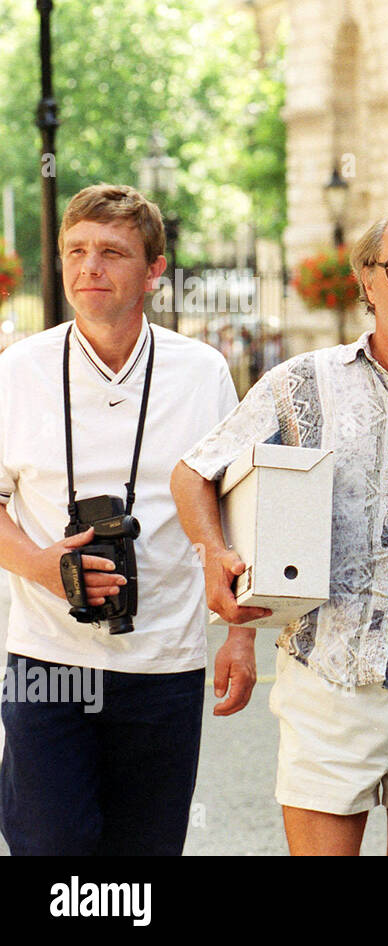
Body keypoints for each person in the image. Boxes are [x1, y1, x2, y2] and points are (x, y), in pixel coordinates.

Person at [172, 211, 388, 856]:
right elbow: (196, 472)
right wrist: (217, 565)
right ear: (367, 281)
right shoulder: (302, 384)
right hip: (328, 682)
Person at [0, 184, 243, 855]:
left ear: (154, 270)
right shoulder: (17, 371)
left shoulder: (202, 372)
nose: (89, 268)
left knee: (145, 857)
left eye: (111, 252)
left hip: (164, 659)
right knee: (50, 849)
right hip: (47, 659)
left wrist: (243, 637)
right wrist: (39, 566)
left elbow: (234, 511)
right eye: (75, 251)